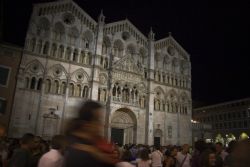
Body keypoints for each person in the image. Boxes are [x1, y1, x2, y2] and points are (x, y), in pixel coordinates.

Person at [64, 100, 116, 167]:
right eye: (98, 120)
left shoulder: (85, 145)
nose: (101, 124)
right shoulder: (82, 155)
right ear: (86, 124)